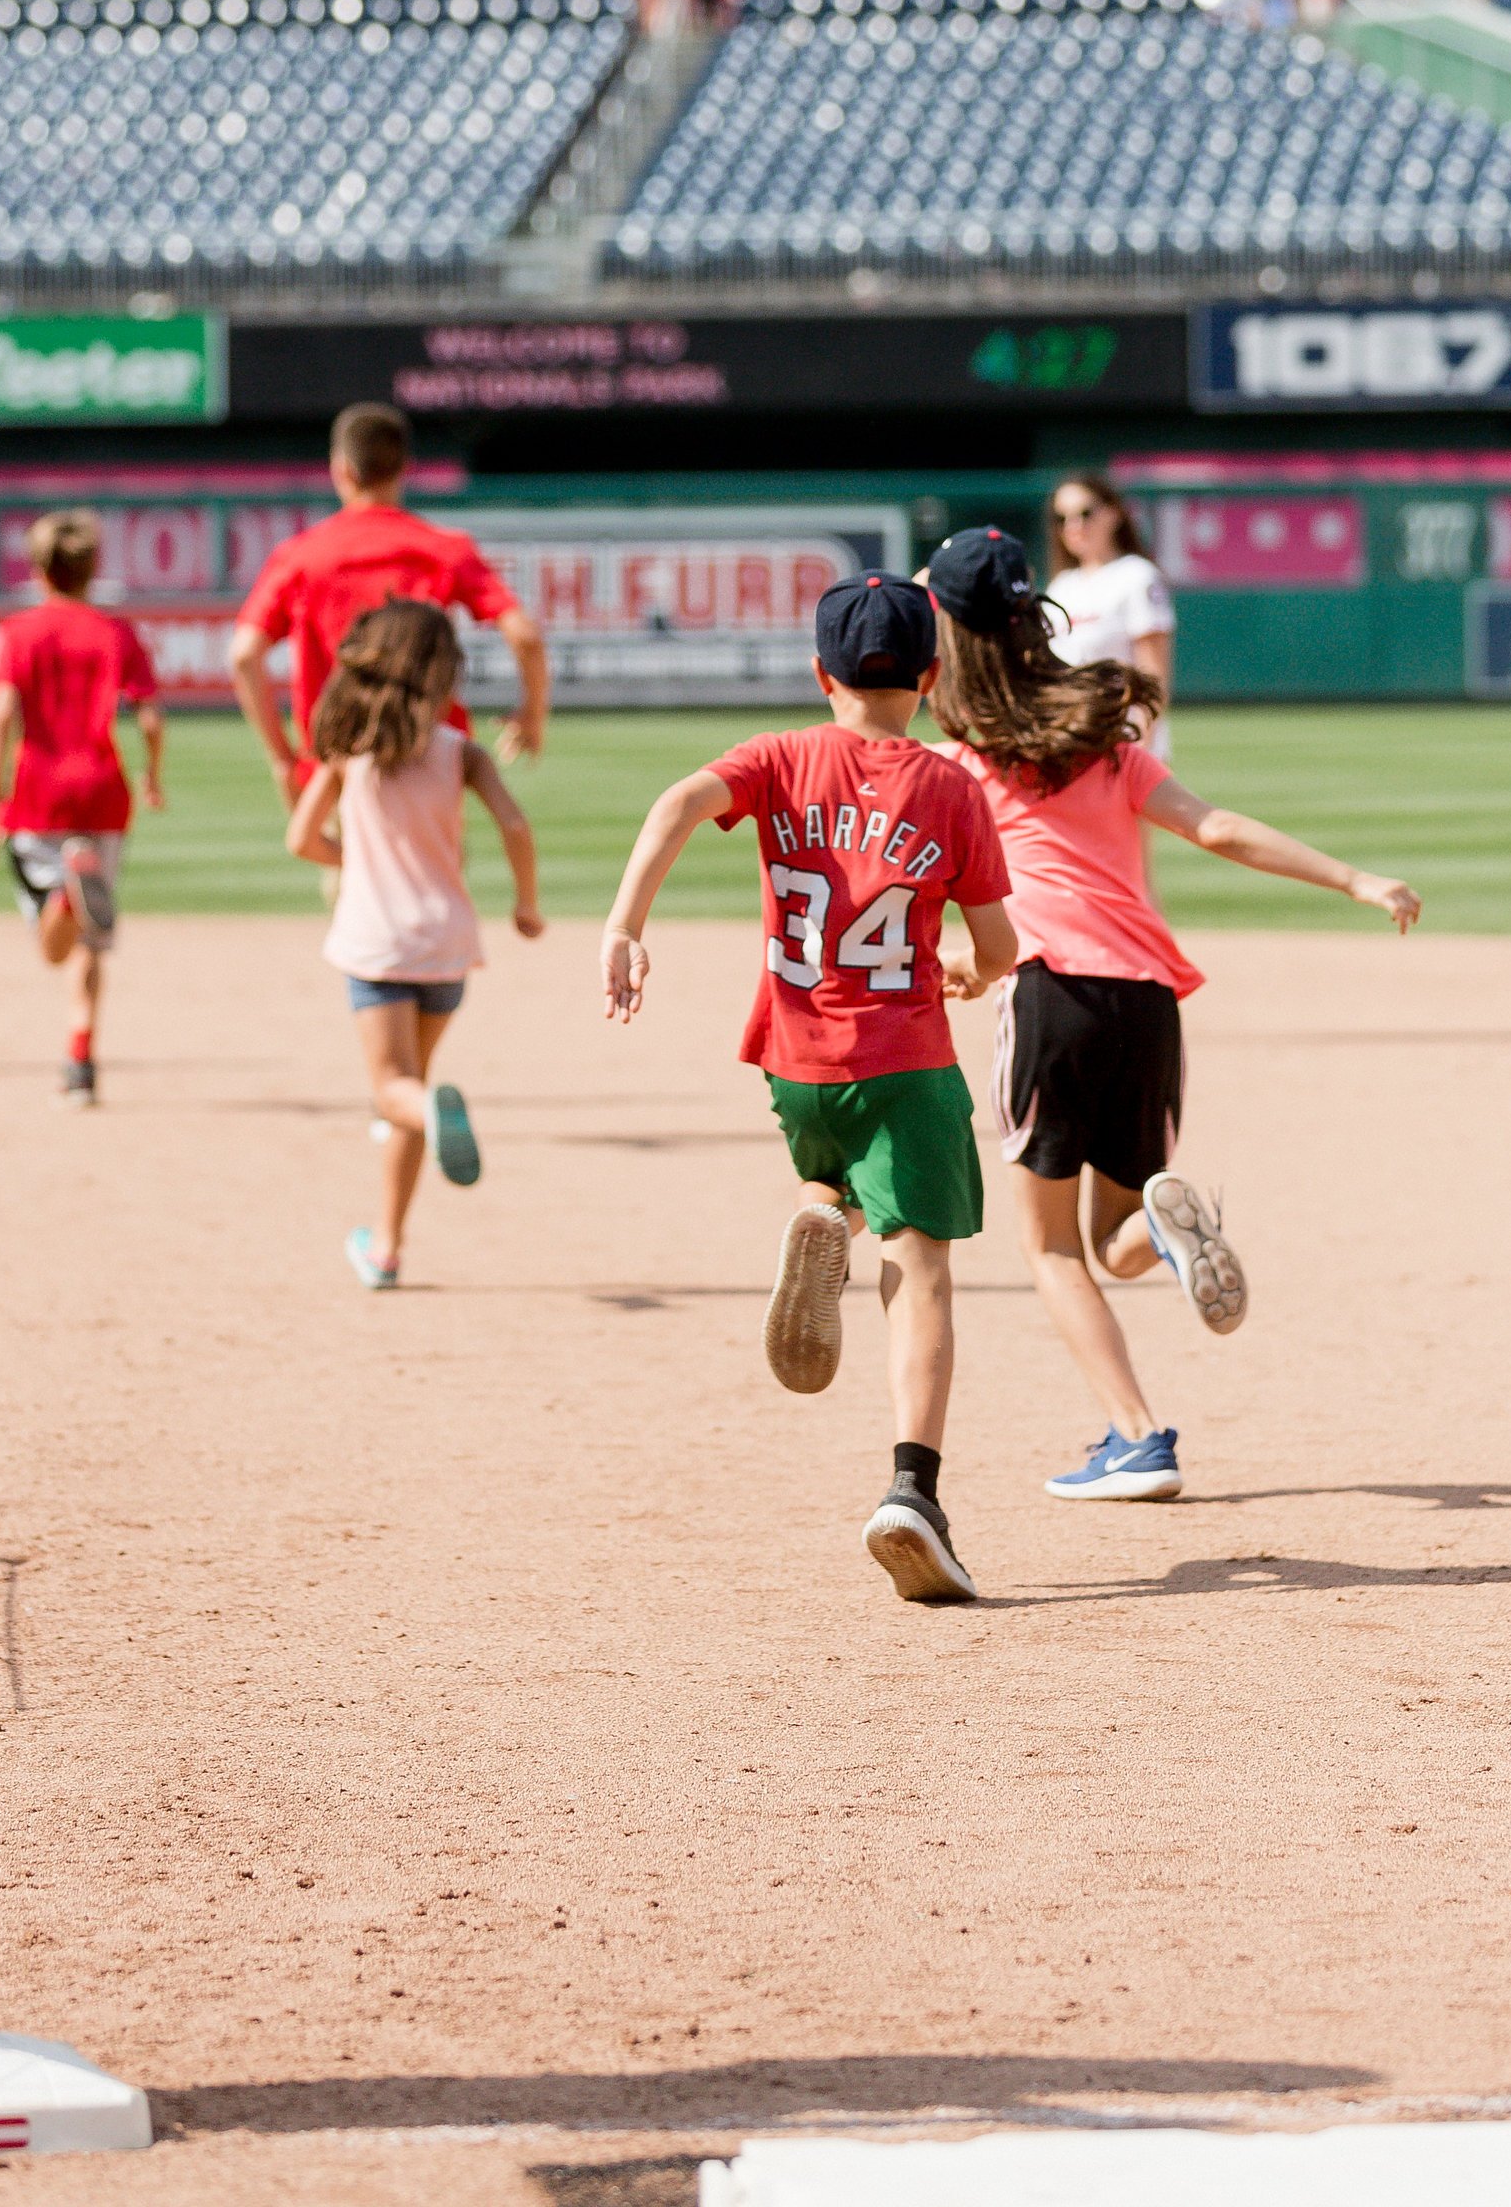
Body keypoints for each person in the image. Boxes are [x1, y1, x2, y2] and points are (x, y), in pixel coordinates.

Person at [922, 525, 1420, 1501]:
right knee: (1111, 1235)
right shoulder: (1102, 736)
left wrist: (970, 966)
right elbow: (1216, 829)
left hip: (1049, 992)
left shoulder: (964, 756)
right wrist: (1355, 878)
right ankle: (1162, 1230)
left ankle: (1136, 1437)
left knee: (1049, 1248)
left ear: (949, 624)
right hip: (1146, 999)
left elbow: (965, 890)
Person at [601, 573, 1018, 1607]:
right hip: (905, 1060)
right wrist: (967, 970)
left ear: (818, 672)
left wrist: (624, 927)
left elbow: (677, 802)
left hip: (794, 1062)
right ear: (929, 676)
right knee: (918, 1267)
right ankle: (912, 1492)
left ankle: (813, 1212)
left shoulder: (779, 758)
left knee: (828, 1171)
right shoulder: (949, 786)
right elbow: (999, 947)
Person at [287, 598, 543, 1291]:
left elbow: (302, 839)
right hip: (447, 941)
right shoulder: (461, 753)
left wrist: (355, 859)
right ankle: (387, 1248)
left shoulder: (347, 754)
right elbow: (516, 828)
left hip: (377, 941)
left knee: (396, 1090)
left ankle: (431, 1116)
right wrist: (525, 904)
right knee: (405, 1087)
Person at [229, 403, 549, 809]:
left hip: (338, 764)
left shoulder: (300, 557)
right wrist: (532, 714)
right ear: (403, 467)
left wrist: (282, 759)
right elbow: (525, 635)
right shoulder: (444, 549)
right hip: (429, 759)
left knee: (352, 870)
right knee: (435, 872)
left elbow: (243, 656)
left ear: (341, 468)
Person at [0, 509, 165, 1106]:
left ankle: (62, 897)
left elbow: (3, 711)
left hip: (40, 791)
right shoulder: (116, 633)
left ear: (36, 569)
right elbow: (151, 716)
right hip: (103, 789)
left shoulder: (20, 631)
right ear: (92, 569)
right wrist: (152, 776)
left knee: (52, 945)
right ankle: (80, 1058)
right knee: (91, 947)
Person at [1044, 473, 1175, 756]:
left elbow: (1154, 676)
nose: (1074, 526)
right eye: (1062, 518)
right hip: (1071, 744)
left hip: (1124, 741)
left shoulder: (1136, 576)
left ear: (1113, 513)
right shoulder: (1061, 586)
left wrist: (1143, 749)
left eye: (1085, 513)